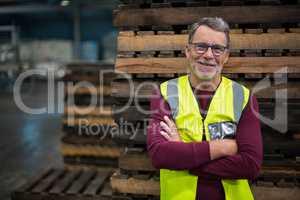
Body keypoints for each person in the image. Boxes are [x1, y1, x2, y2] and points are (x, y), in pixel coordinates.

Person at [147, 17, 263, 200]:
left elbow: (250, 165)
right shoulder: (164, 93)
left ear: (226, 56)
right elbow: (159, 155)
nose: (208, 55)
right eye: (200, 46)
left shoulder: (244, 97)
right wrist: (222, 148)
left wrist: (184, 154)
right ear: (187, 51)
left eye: (217, 49)